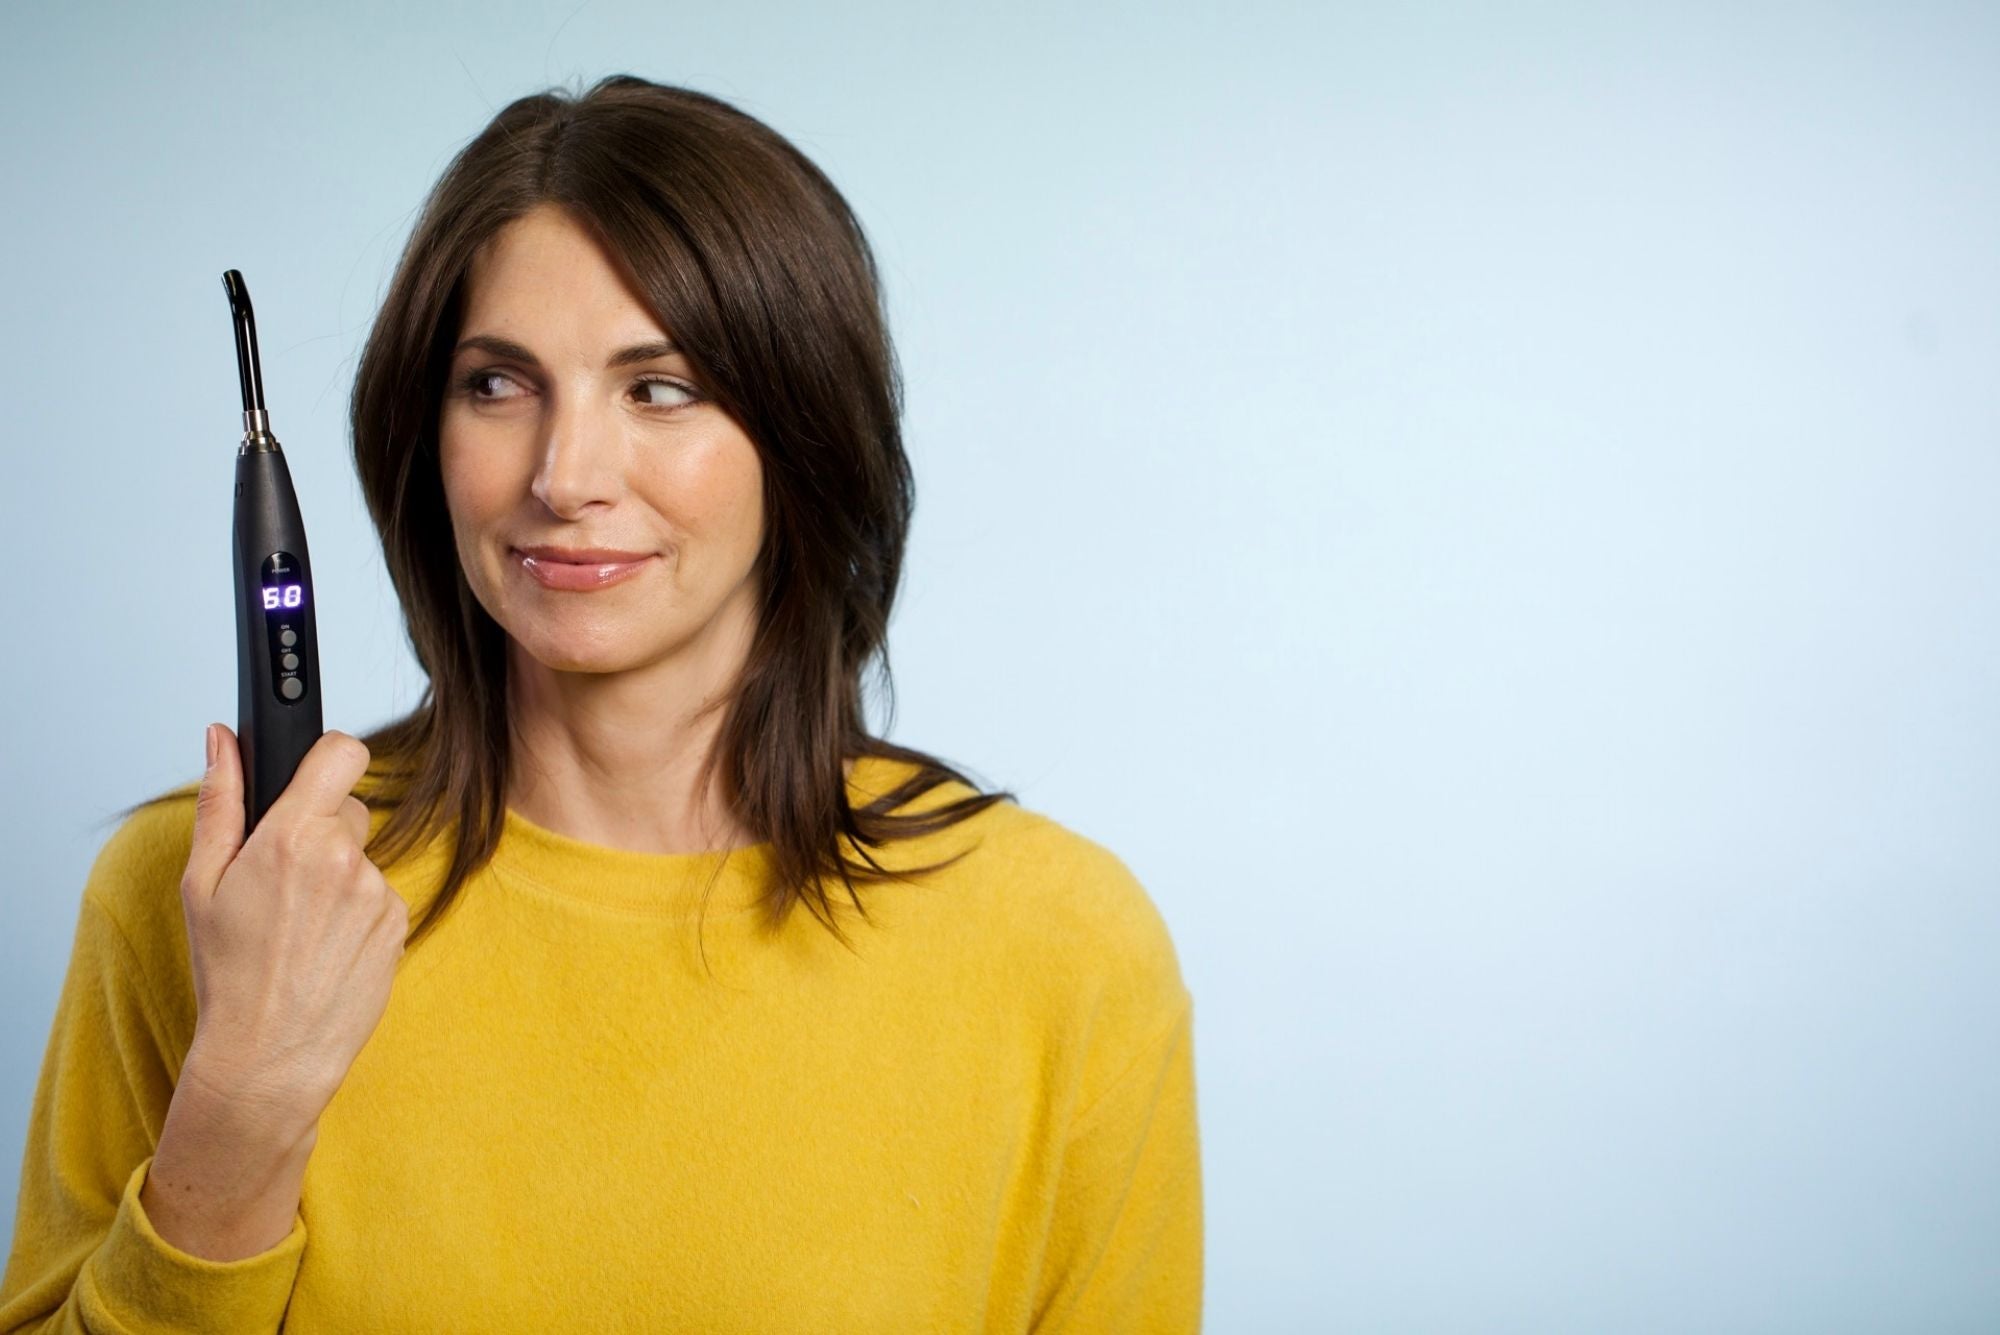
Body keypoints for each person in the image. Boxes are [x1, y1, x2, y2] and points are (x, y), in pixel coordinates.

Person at [0, 74, 1200, 1333]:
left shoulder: (1060, 949)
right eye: (497, 385)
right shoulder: (206, 899)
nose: (565, 478)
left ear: (802, 434)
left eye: (661, 388)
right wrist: (240, 1106)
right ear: (426, 433)